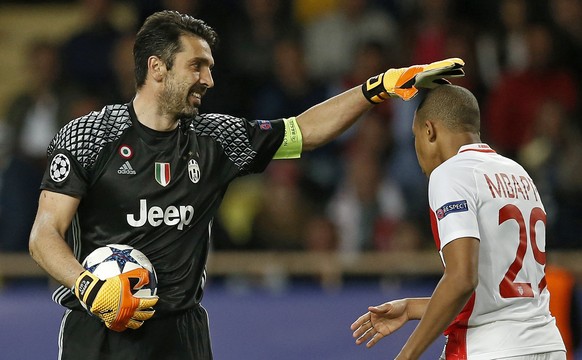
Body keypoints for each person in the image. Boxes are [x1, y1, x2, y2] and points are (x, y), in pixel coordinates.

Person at [28, 10, 464, 360]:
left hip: (181, 335)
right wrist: (91, 288)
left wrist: (376, 88)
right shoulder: (89, 135)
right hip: (99, 333)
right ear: (157, 68)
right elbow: (45, 233)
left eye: (211, 68)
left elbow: (305, 130)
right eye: (196, 66)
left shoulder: (216, 139)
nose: (209, 80)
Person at [351, 85, 567, 359]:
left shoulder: (450, 173)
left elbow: (462, 279)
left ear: (429, 131)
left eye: (415, 137)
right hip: (548, 344)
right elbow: (497, 291)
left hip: (489, 349)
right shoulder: (518, 173)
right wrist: (411, 308)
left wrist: (406, 356)